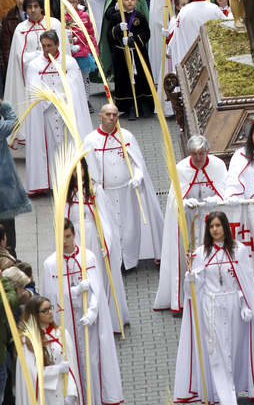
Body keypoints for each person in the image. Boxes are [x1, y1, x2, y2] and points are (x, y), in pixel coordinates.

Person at [174, 210, 254, 404]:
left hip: (234, 307)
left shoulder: (238, 250)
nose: (215, 230)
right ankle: (224, 396)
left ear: (225, 227)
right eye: (211, 226)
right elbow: (193, 290)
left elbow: (244, 282)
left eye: (218, 225)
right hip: (212, 307)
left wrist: (245, 304)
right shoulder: (201, 253)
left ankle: (233, 388)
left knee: (233, 349)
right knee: (217, 352)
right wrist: (189, 278)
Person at [42, 218, 123, 405]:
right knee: (71, 361)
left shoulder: (88, 257)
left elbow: (97, 290)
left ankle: (95, 398)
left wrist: (93, 312)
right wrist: (74, 291)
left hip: (88, 321)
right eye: (61, 237)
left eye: (68, 236)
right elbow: (52, 297)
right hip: (67, 321)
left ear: (74, 234)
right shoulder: (50, 265)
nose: (65, 241)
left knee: (92, 360)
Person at [83, 102, 164, 269]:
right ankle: (115, 262)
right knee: (110, 229)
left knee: (130, 229)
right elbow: (87, 169)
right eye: (108, 115)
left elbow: (137, 163)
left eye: (115, 115)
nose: (112, 118)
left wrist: (138, 176)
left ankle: (130, 261)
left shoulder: (126, 137)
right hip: (104, 194)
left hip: (127, 192)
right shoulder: (90, 141)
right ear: (100, 116)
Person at [154, 134, 227, 313]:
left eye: (202, 153)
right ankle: (186, 297)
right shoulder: (181, 168)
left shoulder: (217, 165)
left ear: (208, 151)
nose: (198, 158)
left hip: (212, 221)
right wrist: (183, 203)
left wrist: (216, 200)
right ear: (189, 153)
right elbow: (173, 198)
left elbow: (226, 190)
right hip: (189, 221)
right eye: (194, 154)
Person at [23, 30, 92, 194]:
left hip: (66, 112)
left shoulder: (69, 63)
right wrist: (50, 98)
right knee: (50, 148)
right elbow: (34, 88)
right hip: (46, 113)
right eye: (43, 46)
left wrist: (62, 97)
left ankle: (71, 180)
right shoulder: (35, 65)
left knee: (68, 146)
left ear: (57, 45)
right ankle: (52, 183)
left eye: (50, 46)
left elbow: (75, 87)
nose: (46, 49)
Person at [65, 159, 129, 334]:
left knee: (98, 275)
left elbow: (104, 217)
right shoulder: (66, 192)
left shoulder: (94, 189)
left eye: (81, 170)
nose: (78, 174)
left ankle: (107, 317)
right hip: (74, 238)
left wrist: (106, 241)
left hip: (93, 236)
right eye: (75, 170)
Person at [4, 0, 61, 119]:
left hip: (52, 76)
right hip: (30, 78)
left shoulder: (54, 24)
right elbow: (21, 58)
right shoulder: (21, 29)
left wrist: (36, 56)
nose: (33, 10)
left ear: (42, 7)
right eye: (29, 7)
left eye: (36, 6)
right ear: (25, 9)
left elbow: (61, 52)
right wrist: (40, 55)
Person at [15, 295, 81, 405]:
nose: (50, 312)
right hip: (43, 396)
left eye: (50, 308)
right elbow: (31, 373)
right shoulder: (28, 341)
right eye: (45, 310)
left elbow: (72, 367)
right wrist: (57, 370)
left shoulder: (62, 334)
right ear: (35, 315)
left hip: (62, 393)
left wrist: (71, 393)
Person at [106, 0, 155, 120]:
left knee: (140, 79)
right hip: (122, 55)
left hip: (137, 54)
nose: (129, 2)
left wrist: (133, 40)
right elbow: (109, 35)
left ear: (136, 1)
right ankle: (128, 106)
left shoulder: (140, 16)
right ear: (121, 1)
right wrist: (117, 30)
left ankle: (142, 104)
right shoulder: (116, 17)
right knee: (125, 80)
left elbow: (146, 33)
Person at [169, 0, 224, 68]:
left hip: (192, 63)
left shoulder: (184, 12)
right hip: (213, 58)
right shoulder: (214, 9)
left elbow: (178, 38)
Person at [0, 99, 31, 253]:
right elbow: (14, 121)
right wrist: (3, 106)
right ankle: (9, 256)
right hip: (3, 190)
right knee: (8, 229)